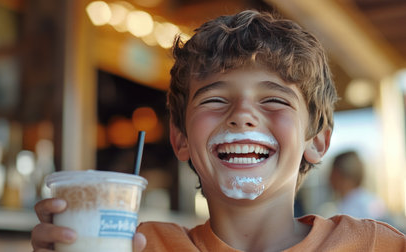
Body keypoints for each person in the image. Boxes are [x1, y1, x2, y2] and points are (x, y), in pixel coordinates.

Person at [31, 10, 405, 251]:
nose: (242, 115)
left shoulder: (376, 246)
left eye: (273, 100)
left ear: (318, 141)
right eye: (214, 100)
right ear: (180, 139)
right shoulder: (136, 246)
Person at [329, 150, 388, 220]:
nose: (329, 177)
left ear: (339, 175)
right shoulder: (373, 201)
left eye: (332, 172)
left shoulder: (352, 210)